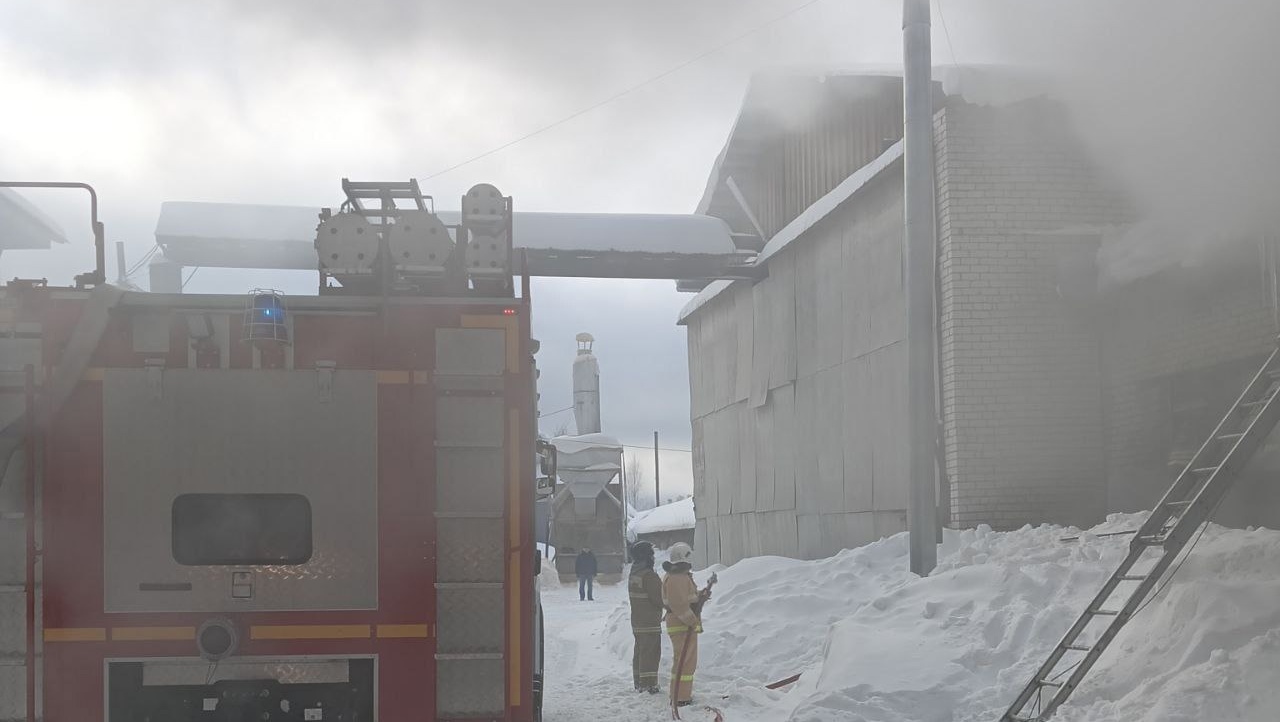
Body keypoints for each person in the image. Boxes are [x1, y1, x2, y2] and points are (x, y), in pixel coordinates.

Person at [662, 542, 708, 707]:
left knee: (684, 661)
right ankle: (681, 698)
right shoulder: (677, 578)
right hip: (682, 625)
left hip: (681, 624)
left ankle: (679, 695)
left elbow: (687, 597)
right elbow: (679, 604)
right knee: (685, 662)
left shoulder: (679, 576)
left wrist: (700, 595)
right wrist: (693, 622)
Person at [627, 541, 664, 693]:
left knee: (640, 652)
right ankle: (648, 685)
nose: (653, 558)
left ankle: (639, 682)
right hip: (649, 622)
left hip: (638, 621)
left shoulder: (634, 573)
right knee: (650, 653)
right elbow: (660, 598)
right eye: (651, 555)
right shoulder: (649, 576)